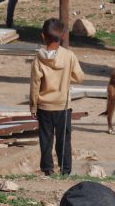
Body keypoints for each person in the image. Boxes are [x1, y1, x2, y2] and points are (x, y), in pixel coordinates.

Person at [30, 18, 84, 176]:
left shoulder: (38, 59)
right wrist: (67, 78)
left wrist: (33, 106)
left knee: (45, 140)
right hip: (63, 106)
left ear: (42, 36)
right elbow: (79, 77)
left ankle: (48, 170)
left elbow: (35, 84)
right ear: (64, 36)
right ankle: (65, 171)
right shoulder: (69, 56)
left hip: (44, 107)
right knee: (64, 140)